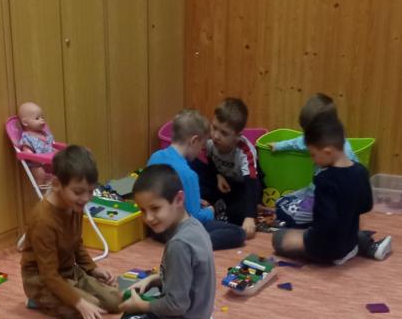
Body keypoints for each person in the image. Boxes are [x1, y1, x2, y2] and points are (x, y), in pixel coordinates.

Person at [86, 164, 226, 319]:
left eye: (155, 208)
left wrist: (143, 305)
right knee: (128, 314)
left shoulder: (179, 245)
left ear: (179, 199)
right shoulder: (194, 226)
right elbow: (188, 277)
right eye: (143, 211)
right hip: (193, 314)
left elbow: (177, 305)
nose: (148, 218)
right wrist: (153, 280)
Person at [21, 145, 123, 319]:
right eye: (78, 192)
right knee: (93, 309)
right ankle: (37, 300)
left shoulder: (74, 205)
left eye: (90, 191)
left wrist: (92, 269)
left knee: (115, 300)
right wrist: (80, 303)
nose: (85, 198)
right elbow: (49, 275)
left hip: (70, 273)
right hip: (42, 281)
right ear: (57, 184)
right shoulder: (43, 221)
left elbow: (76, 242)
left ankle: (74, 295)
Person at [272, 115, 392, 264]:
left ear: (327, 152)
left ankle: (342, 254)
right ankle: (361, 246)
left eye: (313, 154)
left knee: (278, 238)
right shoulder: (361, 171)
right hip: (350, 239)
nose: (313, 159)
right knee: (343, 229)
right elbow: (366, 206)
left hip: (327, 249)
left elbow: (324, 223)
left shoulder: (324, 179)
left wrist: (302, 240)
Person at [146, 109, 246, 250]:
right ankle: (191, 243)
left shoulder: (155, 156)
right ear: (194, 141)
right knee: (238, 233)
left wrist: (195, 200)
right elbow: (194, 218)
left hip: (154, 228)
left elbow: (165, 195)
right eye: (201, 146)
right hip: (177, 230)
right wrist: (210, 211)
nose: (200, 151)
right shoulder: (188, 174)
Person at [270, 93, 360, 227]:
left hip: (328, 202)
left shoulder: (344, 153)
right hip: (312, 192)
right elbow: (299, 142)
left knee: (288, 214)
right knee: (280, 203)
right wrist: (278, 146)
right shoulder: (314, 139)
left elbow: (355, 180)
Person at [192, 97, 262, 239]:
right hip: (223, 181)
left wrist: (249, 217)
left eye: (224, 133)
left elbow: (251, 183)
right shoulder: (210, 143)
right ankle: (207, 204)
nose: (216, 136)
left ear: (237, 136)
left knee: (242, 211)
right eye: (214, 127)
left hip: (244, 185)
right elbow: (210, 161)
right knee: (193, 165)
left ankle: (220, 209)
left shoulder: (245, 151)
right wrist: (218, 176)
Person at [15, 100, 56, 188]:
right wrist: (32, 155)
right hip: (37, 164)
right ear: (25, 122)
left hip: (50, 162)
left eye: (42, 117)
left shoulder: (45, 134)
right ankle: (42, 190)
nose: (42, 120)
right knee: (40, 173)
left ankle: (55, 189)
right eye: (37, 118)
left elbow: (50, 146)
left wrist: (56, 152)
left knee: (61, 169)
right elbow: (26, 151)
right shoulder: (27, 137)